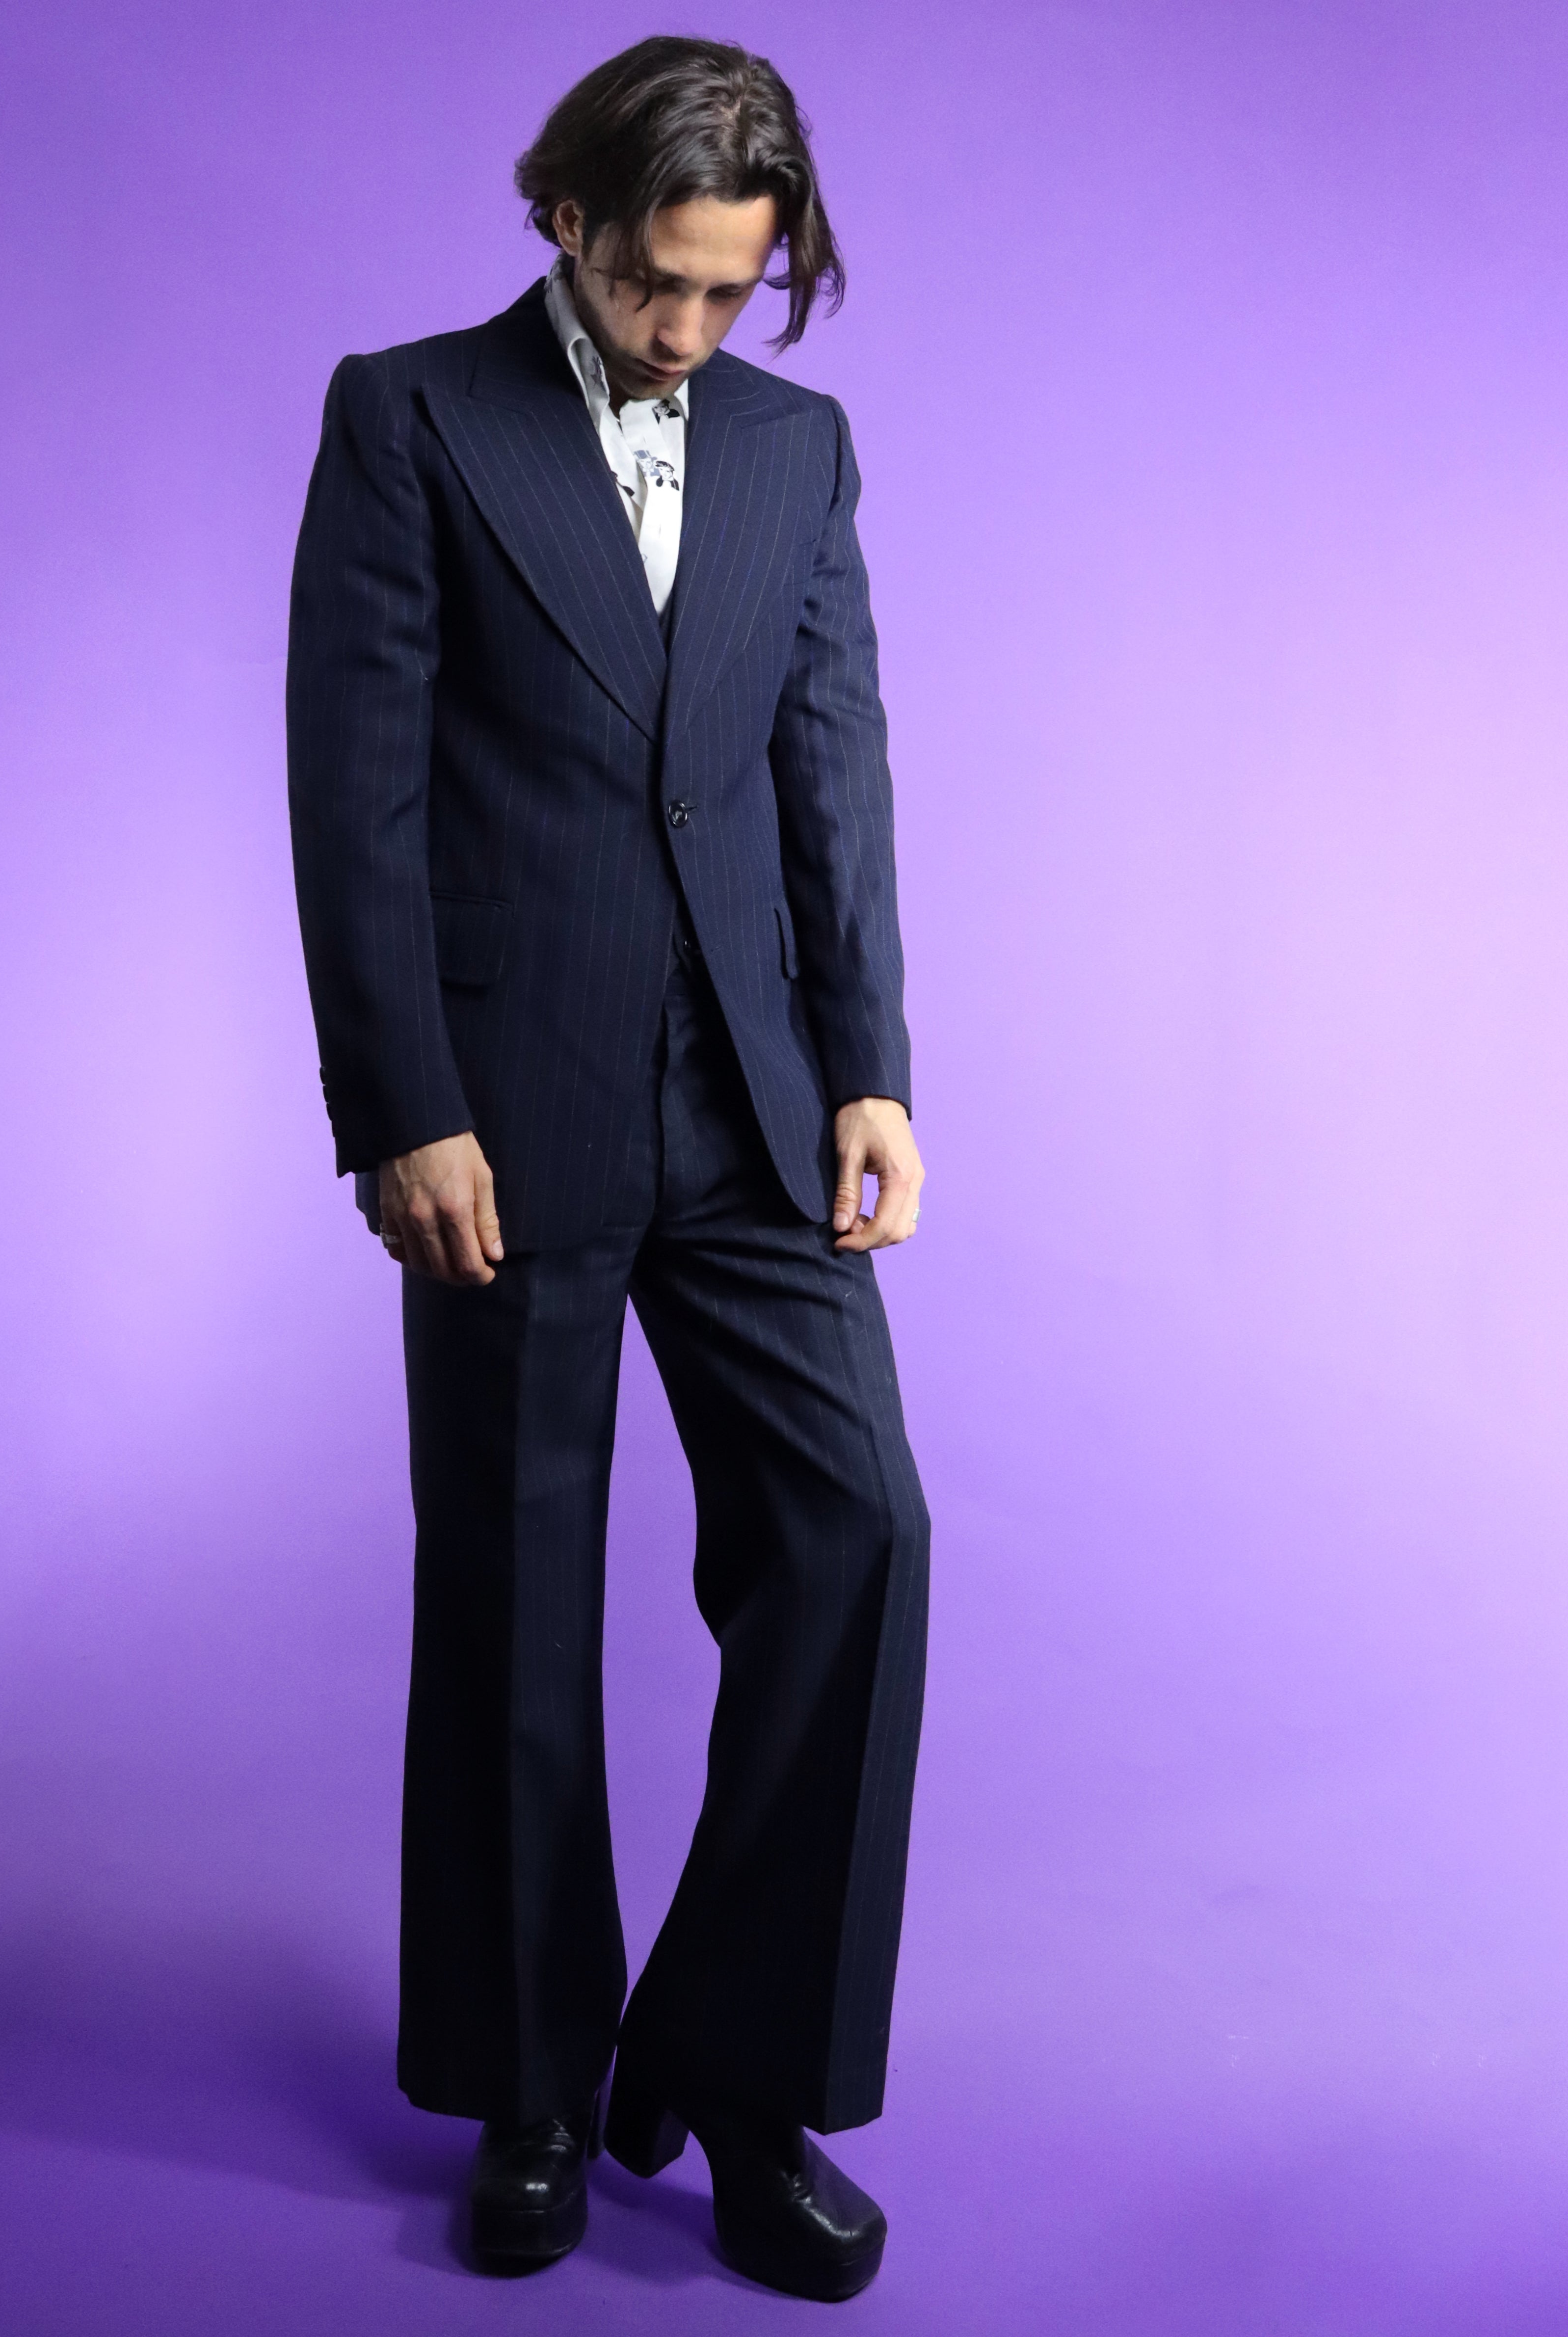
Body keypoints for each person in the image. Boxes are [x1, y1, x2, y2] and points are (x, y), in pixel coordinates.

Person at [286, 35, 929, 2303]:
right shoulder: (410, 419)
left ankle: (736, 2074)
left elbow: (829, 764)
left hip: (750, 1098)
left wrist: (868, 1066)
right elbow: (352, 787)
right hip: (501, 1109)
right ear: (564, 216)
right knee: (512, 1600)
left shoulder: (793, 447)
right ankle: (536, 2085)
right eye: (657, 280)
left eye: (729, 294)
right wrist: (402, 1104)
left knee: (855, 1531)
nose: (685, 328)